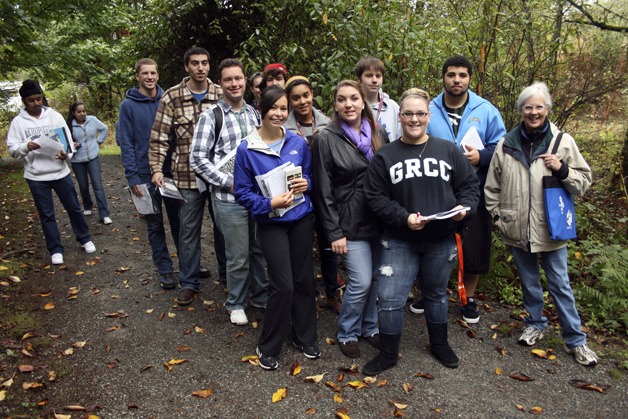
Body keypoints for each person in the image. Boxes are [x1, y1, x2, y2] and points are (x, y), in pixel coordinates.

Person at [362, 88, 479, 375]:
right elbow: (375, 196)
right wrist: (403, 218)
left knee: (437, 294)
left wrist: (465, 208)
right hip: (400, 239)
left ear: (428, 117)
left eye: (420, 113)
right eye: (408, 114)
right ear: (399, 116)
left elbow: (469, 186)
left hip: (440, 239)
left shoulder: (447, 149)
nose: (414, 119)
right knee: (389, 298)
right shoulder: (386, 155)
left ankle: (439, 345)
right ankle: (388, 353)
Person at [484, 82, 598, 367]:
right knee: (529, 282)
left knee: (560, 284)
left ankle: (576, 340)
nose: (533, 112)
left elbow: (583, 182)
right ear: (521, 110)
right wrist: (498, 216)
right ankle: (535, 323)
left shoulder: (562, 143)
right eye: (528, 107)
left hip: (552, 228)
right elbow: (492, 186)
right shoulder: (506, 144)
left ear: (547, 109)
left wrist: (562, 169)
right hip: (516, 227)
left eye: (539, 107)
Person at [234, 85, 320, 370]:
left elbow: (309, 176)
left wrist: (307, 184)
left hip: (301, 218)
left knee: (304, 280)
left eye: (284, 109)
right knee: (282, 285)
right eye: (274, 108)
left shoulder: (297, 142)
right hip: (271, 223)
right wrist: (269, 203)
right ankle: (268, 344)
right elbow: (242, 193)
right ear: (262, 109)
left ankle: (304, 336)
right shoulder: (247, 148)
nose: (280, 114)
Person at [419, 54, 506, 324]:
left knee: (474, 247)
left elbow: (501, 147)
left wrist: (482, 156)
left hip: (474, 190)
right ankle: (430, 292)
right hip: (435, 190)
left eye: (462, 75)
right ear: (443, 77)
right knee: (431, 244)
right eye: (451, 74)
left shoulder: (486, 109)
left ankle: (468, 298)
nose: (457, 80)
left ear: (470, 78)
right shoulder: (429, 108)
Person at [312, 80, 388, 359]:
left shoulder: (379, 133)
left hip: (379, 219)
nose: (349, 104)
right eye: (342, 99)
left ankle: (370, 327)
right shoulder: (325, 138)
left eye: (354, 98)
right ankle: (347, 331)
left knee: (377, 279)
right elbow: (322, 190)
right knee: (360, 281)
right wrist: (334, 233)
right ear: (335, 105)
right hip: (348, 223)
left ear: (362, 101)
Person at [190, 58, 267, 326]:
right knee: (238, 254)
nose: (234, 84)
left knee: (259, 249)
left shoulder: (255, 114)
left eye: (238, 78)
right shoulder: (211, 116)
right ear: (220, 84)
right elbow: (198, 159)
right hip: (228, 198)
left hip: (257, 197)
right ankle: (235, 302)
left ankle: (260, 296)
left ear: (246, 81)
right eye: (228, 80)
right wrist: (229, 183)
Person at [149, 47, 224, 306]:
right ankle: (189, 282)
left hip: (217, 177)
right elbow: (159, 137)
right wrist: (157, 169)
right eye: (195, 63)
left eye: (205, 63)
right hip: (186, 177)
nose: (201, 68)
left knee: (223, 227)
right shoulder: (171, 97)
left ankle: (227, 276)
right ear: (186, 67)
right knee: (188, 232)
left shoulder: (221, 94)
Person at [6, 80, 96, 265]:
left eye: (39, 99)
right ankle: (55, 249)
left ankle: (85, 238)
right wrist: (26, 146)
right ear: (24, 101)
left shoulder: (54, 116)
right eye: (31, 100)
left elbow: (68, 141)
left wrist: (67, 154)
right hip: (36, 176)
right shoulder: (18, 123)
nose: (36, 103)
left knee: (73, 207)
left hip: (59, 172)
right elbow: (12, 149)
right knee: (47, 214)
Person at [119, 58, 182, 290]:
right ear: (137, 76)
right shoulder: (128, 105)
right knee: (155, 225)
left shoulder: (168, 99)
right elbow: (125, 142)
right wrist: (132, 176)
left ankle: (187, 265)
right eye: (145, 73)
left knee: (179, 222)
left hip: (170, 171)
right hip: (144, 175)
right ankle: (165, 269)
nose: (150, 77)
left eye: (153, 73)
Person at [284, 75, 341, 313]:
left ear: (312, 95)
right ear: (289, 100)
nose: (302, 101)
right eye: (295, 98)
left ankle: (331, 292)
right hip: (298, 193)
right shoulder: (283, 126)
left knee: (329, 245)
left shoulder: (328, 123)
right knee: (302, 247)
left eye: (305, 95)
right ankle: (305, 295)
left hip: (326, 192)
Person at [66, 102, 112, 225]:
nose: (82, 114)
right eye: (79, 112)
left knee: (97, 186)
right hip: (77, 160)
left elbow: (104, 129)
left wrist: (99, 141)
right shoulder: (69, 125)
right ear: (73, 113)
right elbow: (63, 142)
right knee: (83, 185)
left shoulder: (92, 120)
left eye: (84, 111)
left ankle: (104, 214)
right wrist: (71, 145)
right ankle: (87, 205)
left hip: (92, 157)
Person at [355, 56, 400, 141]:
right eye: (369, 75)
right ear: (359, 78)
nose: (374, 80)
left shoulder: (393, 107)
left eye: (378, 76)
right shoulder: (353, 106)